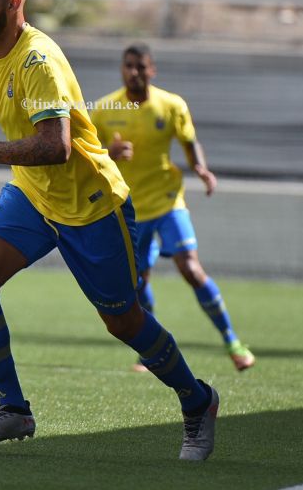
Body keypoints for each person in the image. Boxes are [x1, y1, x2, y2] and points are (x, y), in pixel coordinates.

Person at [0, 0, 218, 460]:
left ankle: (197, 400)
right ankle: (14, 408)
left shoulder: (40, 60)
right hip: (33, 197)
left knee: (123, 321)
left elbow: (55, 146)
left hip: (91, 206)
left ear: (14, 3)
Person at [90, 43, 255, 372]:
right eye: (128, 66)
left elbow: (190, 142)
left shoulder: (171, 105)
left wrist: (201, 170)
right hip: (131, 210)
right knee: (138, 285)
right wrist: (110, 151)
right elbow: (87, 152)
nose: (134, 72)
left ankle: (233, 341)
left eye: (141, 66)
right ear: (122, 69)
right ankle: (151, 351)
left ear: (152, 70)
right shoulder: (105, 109)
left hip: (168, 203)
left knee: (191, 269)